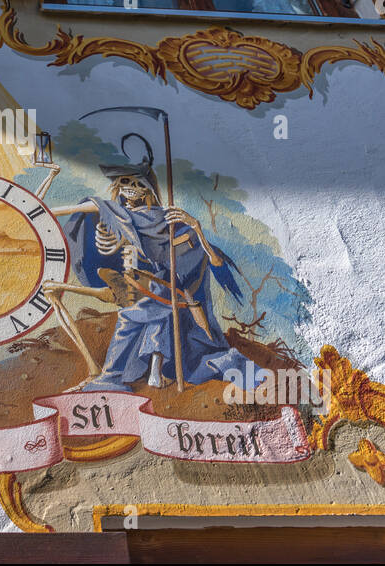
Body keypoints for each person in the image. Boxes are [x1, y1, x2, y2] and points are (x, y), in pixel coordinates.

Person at [48, 159, 266, 392]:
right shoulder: (130, 217)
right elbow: (95, 208)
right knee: (146, 316)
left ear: (147, 188)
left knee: (131, 318)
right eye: (123, 182)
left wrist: (197, 228)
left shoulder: (159, 218)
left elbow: (213, 260)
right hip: (153, 290)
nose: (129, 187)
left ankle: (113, 377)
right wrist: (49, 212)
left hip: (174, 291)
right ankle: (138, 373)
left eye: (135, 182)